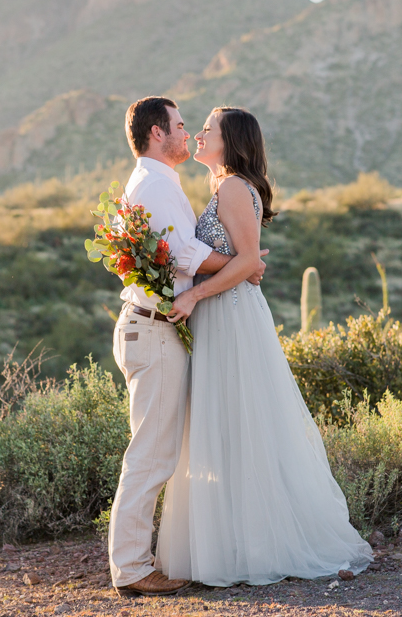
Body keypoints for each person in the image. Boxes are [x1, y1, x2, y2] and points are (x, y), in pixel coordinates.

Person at [158, 106, 374, 587]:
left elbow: (247, 262)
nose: (197, 134)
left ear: (229, 141)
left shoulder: (234, 187)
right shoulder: (223, 187)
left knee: (242, 424)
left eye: (208, 130)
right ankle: (237, 541)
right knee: (228, 427)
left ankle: (257, 545)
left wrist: (194, 293)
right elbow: (243, 260)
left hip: (230, 316)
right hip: (224, 313)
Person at [107, 97, 268, 597]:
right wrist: (246, 262)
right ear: (159, 133)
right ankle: (131, 569)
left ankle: (142, 559)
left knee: (157, 452)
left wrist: (239, 261)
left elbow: (181, 252)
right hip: (154, 331)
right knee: (152, 456)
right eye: (181, 126)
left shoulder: (162, 182)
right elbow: (185, 255)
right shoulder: (155, 183)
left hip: (157, 327)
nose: (189, 134)